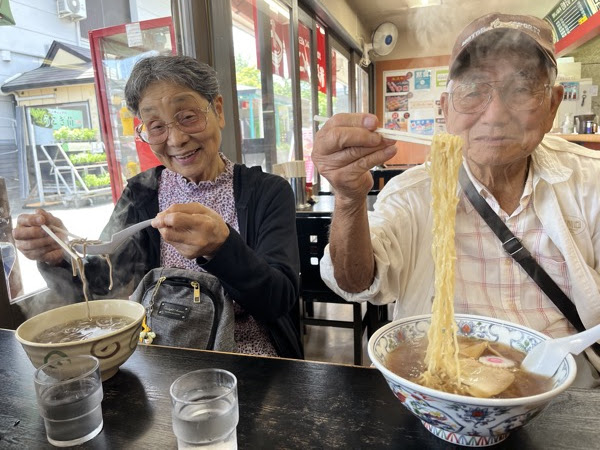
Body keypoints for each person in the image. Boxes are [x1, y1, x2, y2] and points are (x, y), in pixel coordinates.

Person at [312, 13, 600, 386]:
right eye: (474, 89)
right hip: (440, 392)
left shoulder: (589, 182)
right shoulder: (412, 193)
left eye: (522, 88)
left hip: (572, 397)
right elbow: (356, 283)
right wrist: (349, 199)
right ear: (446, 108)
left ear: (553, 104)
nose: (495, 115)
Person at [13, 55, 303, 359]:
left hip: (247, 358)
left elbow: (278, 299)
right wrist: (59, 255)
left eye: (188, 116)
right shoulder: (142, 193)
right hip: (159, 354)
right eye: (156, 126)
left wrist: (222, 247)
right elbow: (101, 283)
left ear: (217, 110)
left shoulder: (267, 191)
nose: (176, 139)